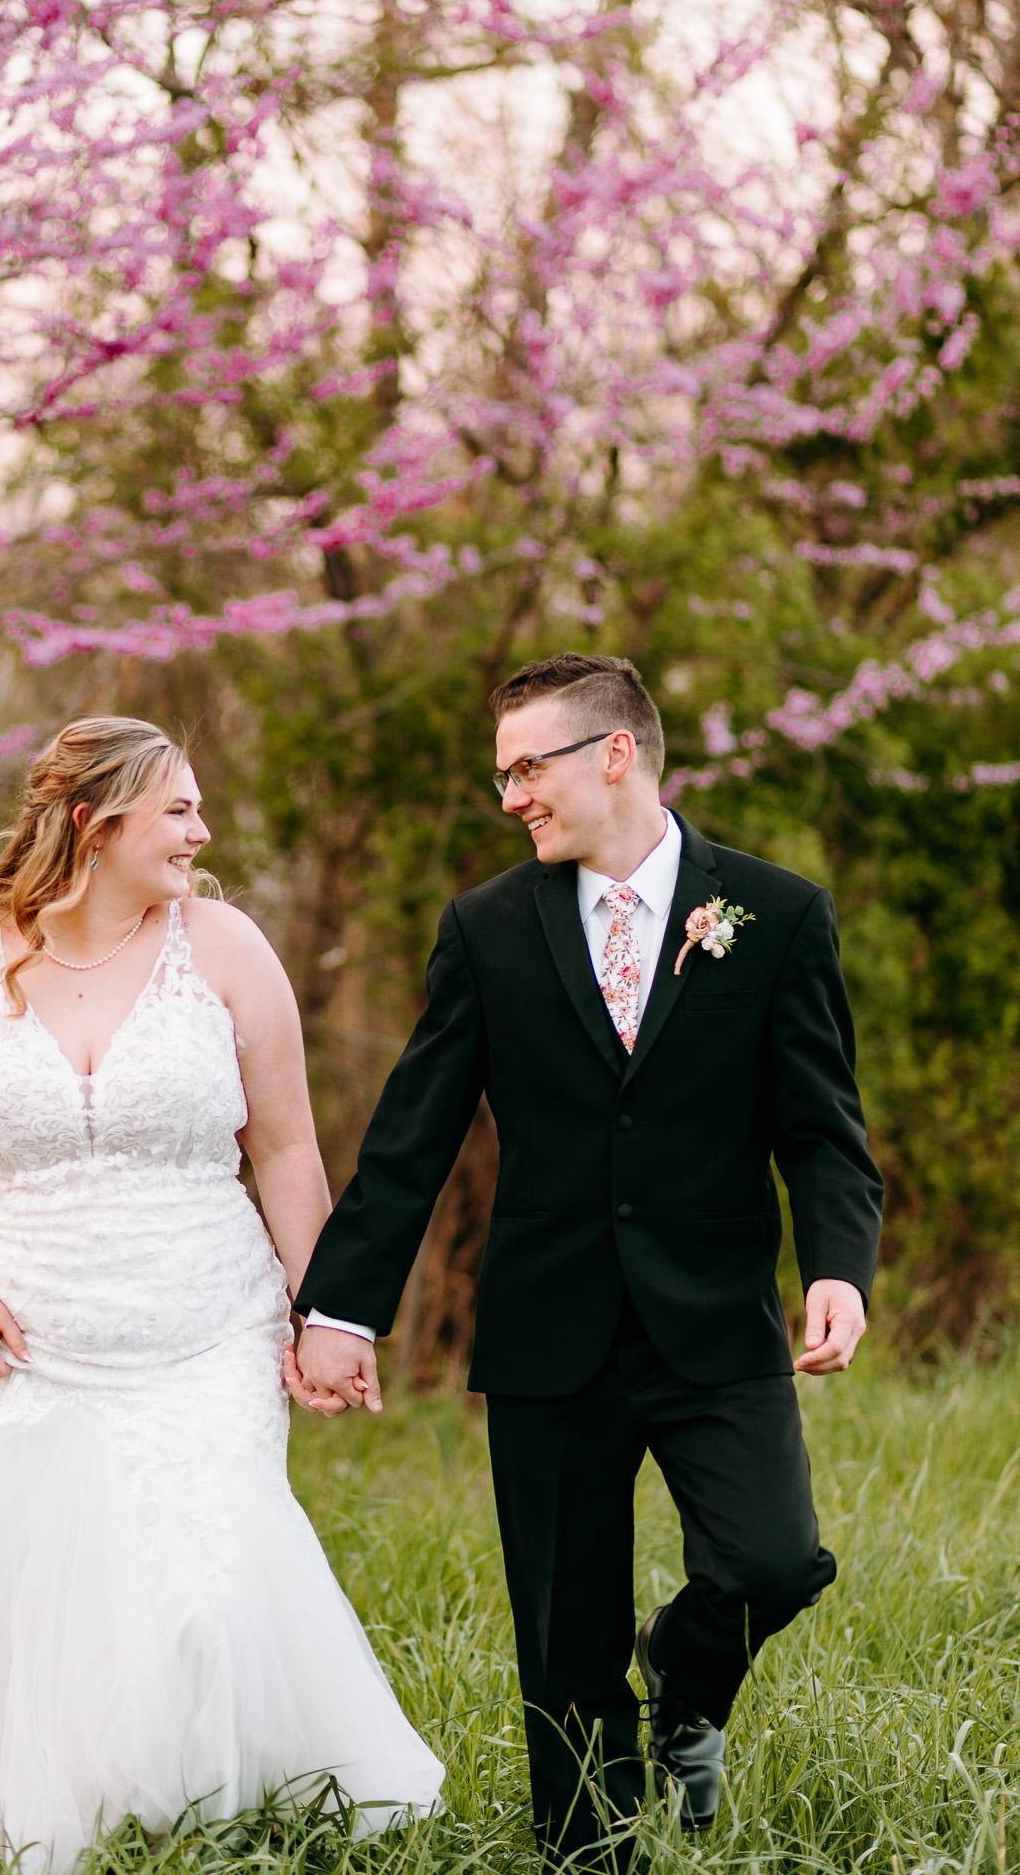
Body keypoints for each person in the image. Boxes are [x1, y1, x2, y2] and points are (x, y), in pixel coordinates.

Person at [0, 715, 443, 1869]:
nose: (201, 831)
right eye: (178, 809)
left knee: (203, 1588)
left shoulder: (225, 948)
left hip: (205, 1323)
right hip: (22, 1332)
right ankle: (58, 1792)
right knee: (25, 1587)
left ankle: (199, 1807)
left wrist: (325, 1312)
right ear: (94, 820)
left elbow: (285, 1149)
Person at [291, 653, 883, 1870]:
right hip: (549, 1325)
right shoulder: (487, 927)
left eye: (528, 766)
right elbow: (413, 1134)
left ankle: (684, 1671)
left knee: (773, 1559)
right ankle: (587, 1854)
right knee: (566, 1642)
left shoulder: (775, 913)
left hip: (716, 1319)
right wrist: (342, 1307)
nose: (511, 794)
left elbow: (823, 1126)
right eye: (502, 773)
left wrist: (839, 1265)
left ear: (616, 753)